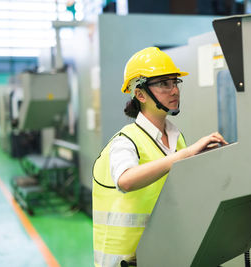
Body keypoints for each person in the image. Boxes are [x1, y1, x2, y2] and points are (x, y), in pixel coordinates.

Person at [92, 47, 227, 267]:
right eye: (164, 84)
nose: (174, 91)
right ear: (140, 94)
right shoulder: (126, 141)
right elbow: (125, 180)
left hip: (163, 253)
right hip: (126, 261)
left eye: (175, 83)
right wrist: (186, 154)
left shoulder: (176, 138)